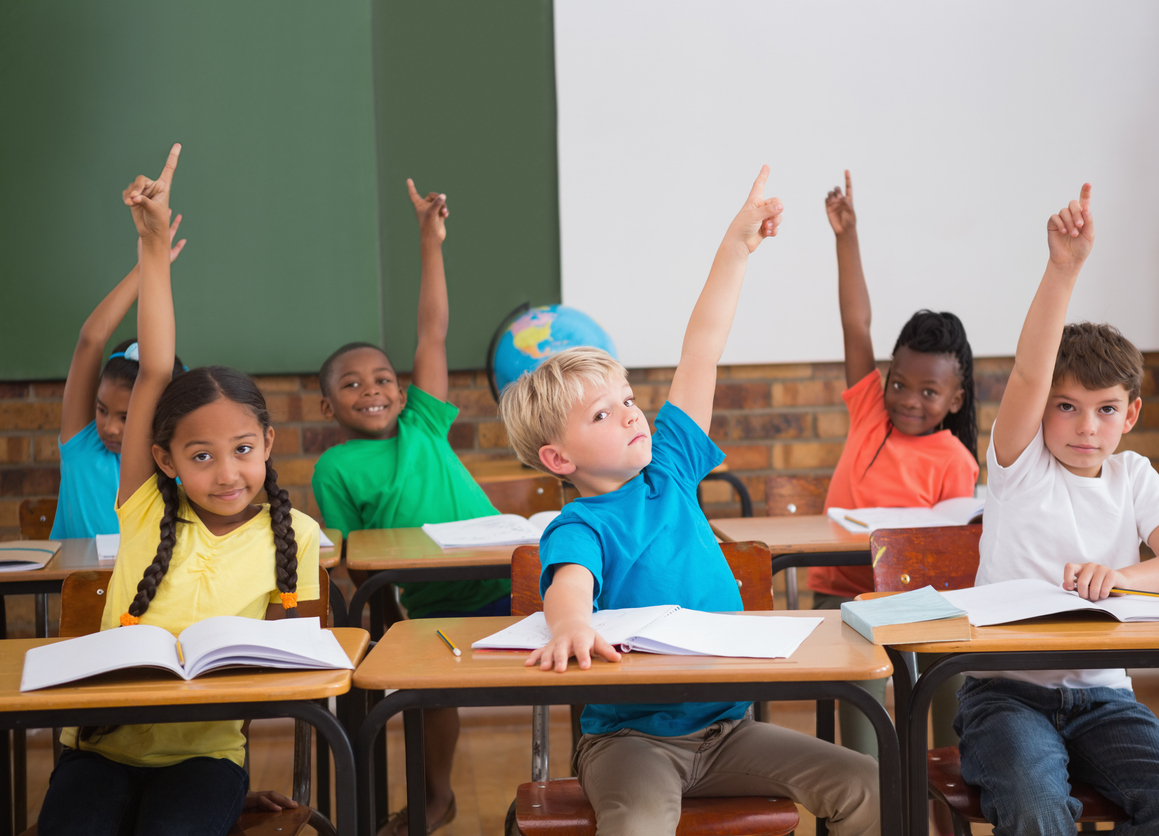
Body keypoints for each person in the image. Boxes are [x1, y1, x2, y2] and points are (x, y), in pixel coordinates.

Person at [500, 166, 879, 836]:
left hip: (728, 732)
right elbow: (569, 585)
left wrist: (736, 248)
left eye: (628, 401)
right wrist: (570, 627)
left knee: (868, 784)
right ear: (559, 459)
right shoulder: (579, 523)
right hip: (629, 744)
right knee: (640, 823)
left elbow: (701, 347)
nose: (629, 416)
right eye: (601, 416)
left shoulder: (670, 470)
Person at [39, 145, 319, 836]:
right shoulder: (144, 508)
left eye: (243, 450)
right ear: (164, 460)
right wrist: (152, 245)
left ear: (269, 447)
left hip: (206, 757)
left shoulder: (300, 537)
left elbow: (306, 669)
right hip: (101, 750)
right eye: (202, 456)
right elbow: (156, 367)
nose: (227, 473)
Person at [956, 183, 1159, 833]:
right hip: (1007, 695)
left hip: (1106, 698)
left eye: (1105, 409)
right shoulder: (1020, 466)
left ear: (1130, 415)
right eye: (1066, 406)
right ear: (1044, 408)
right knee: (1037, 805)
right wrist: (1063, 268)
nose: (1085, 426)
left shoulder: (1134, 476)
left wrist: (1124, 577)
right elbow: (1027, 372)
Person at [312, 181, 505, 834]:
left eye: (384, 379)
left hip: (509, 579)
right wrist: (385, 615)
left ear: (404, 391)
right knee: (423, 696)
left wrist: (430, 241)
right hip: (430, 600)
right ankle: (435, 794)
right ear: (327, 407)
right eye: (351, 384)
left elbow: (433, 329)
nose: (372, 390)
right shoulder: (334, 466)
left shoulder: (423, 422)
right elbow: (349, 558)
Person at [808, 171, 979, 764]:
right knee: (864, 687)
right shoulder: (869, 415)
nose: (908, 398)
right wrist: (846, 238)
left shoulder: (956, 460)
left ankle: (945, 796)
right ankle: (870, 795)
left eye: (929, 392)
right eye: (899, 382)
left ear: (956, 400)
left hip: (919, 604)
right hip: (844, 596)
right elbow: (857, 324)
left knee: (955, 678)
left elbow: (952, 558)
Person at [50, 221, 188, 540]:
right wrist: (146, 268)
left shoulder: (174, 465)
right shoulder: (81, 444)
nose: (109, 427)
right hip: (81, 590)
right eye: (102, 410)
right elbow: (91, 340)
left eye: (126, 417)